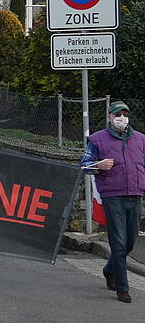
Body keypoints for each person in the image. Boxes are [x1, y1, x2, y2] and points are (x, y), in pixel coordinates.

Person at [81, 101, 145, 303]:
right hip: (112, 197)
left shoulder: (140, 139)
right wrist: (98, 165)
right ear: (110, 117)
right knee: (117, 244)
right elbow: (84, 166)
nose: (122, 118)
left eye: (125, 115)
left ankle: (109, 269)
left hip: (135, 196)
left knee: (130, 242)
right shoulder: (98, 139)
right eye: (118, 115)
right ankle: (122, 288)